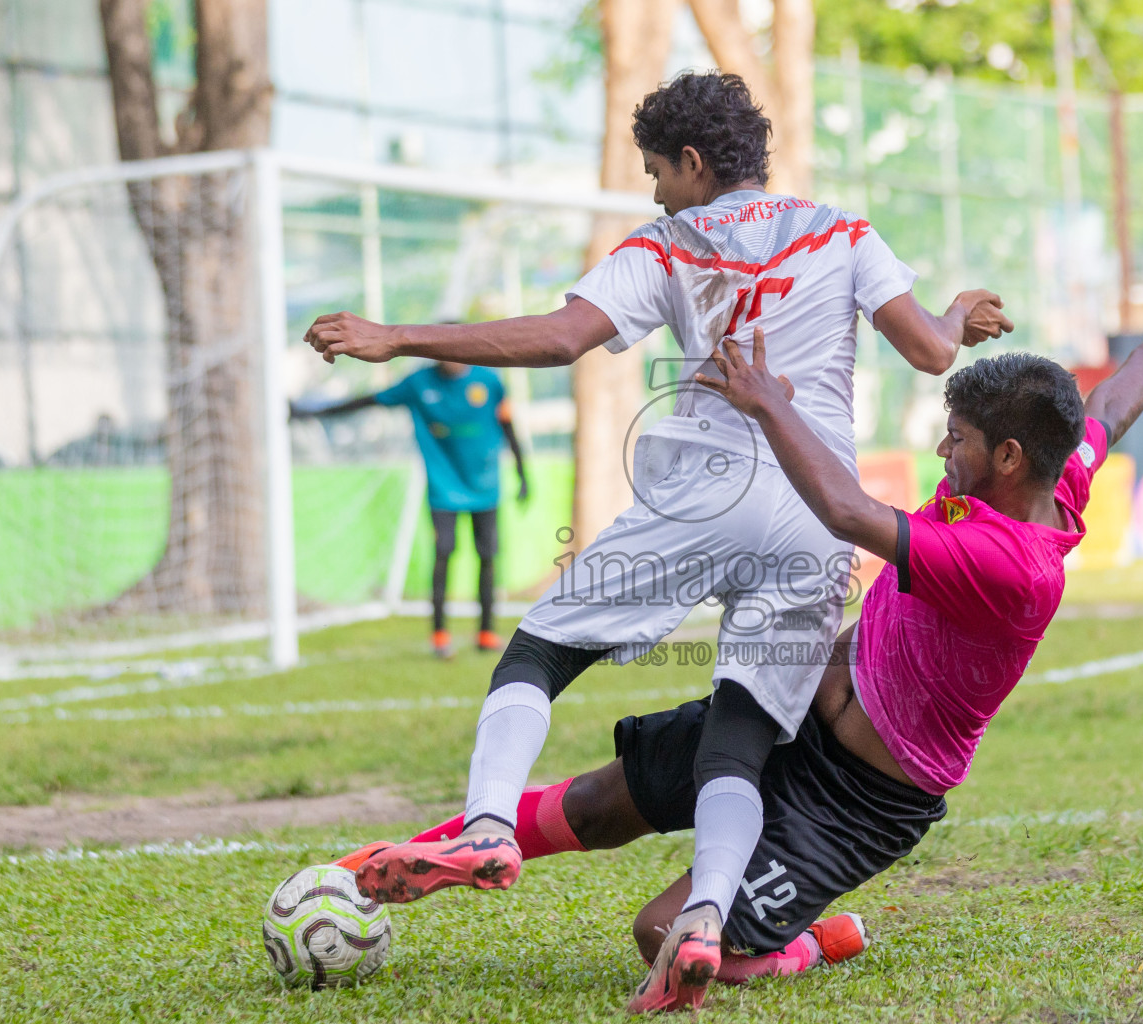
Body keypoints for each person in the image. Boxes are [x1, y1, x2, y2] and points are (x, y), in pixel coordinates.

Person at [304, 71, 1013, 1005]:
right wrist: (960, 311)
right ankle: (707, 918)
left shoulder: (670, 241)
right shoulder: (844, 230)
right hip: (815, 506)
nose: (652, 192)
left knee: (538, 651)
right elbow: (928, 349)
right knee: (742, 732)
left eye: (656, 172)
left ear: (692, 161)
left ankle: (485, 825)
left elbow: (561, 339)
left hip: (702, 492)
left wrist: (399, 335)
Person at [340, 318, 1143, 1012]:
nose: (940, 453)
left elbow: (846, 513)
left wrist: (770, 402)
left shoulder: (1014, 565)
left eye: (954, 438)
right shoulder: (1054, 476)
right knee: (601, 801)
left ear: (1006, 457)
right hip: (792, 708)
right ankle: (374, 872)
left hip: (858, 800)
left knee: (664, 930)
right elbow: (1106, 411)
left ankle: (801, 944)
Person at [292, 357, 529, 658]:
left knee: (487, 556)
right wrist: (311, 412)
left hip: (485, 486)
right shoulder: (419, 383)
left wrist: (523, 472)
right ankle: (440, 634)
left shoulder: (490, 381)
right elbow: (370, 400)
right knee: (443, 552)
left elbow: (508, 425)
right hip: (444, 487)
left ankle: (486, 631)